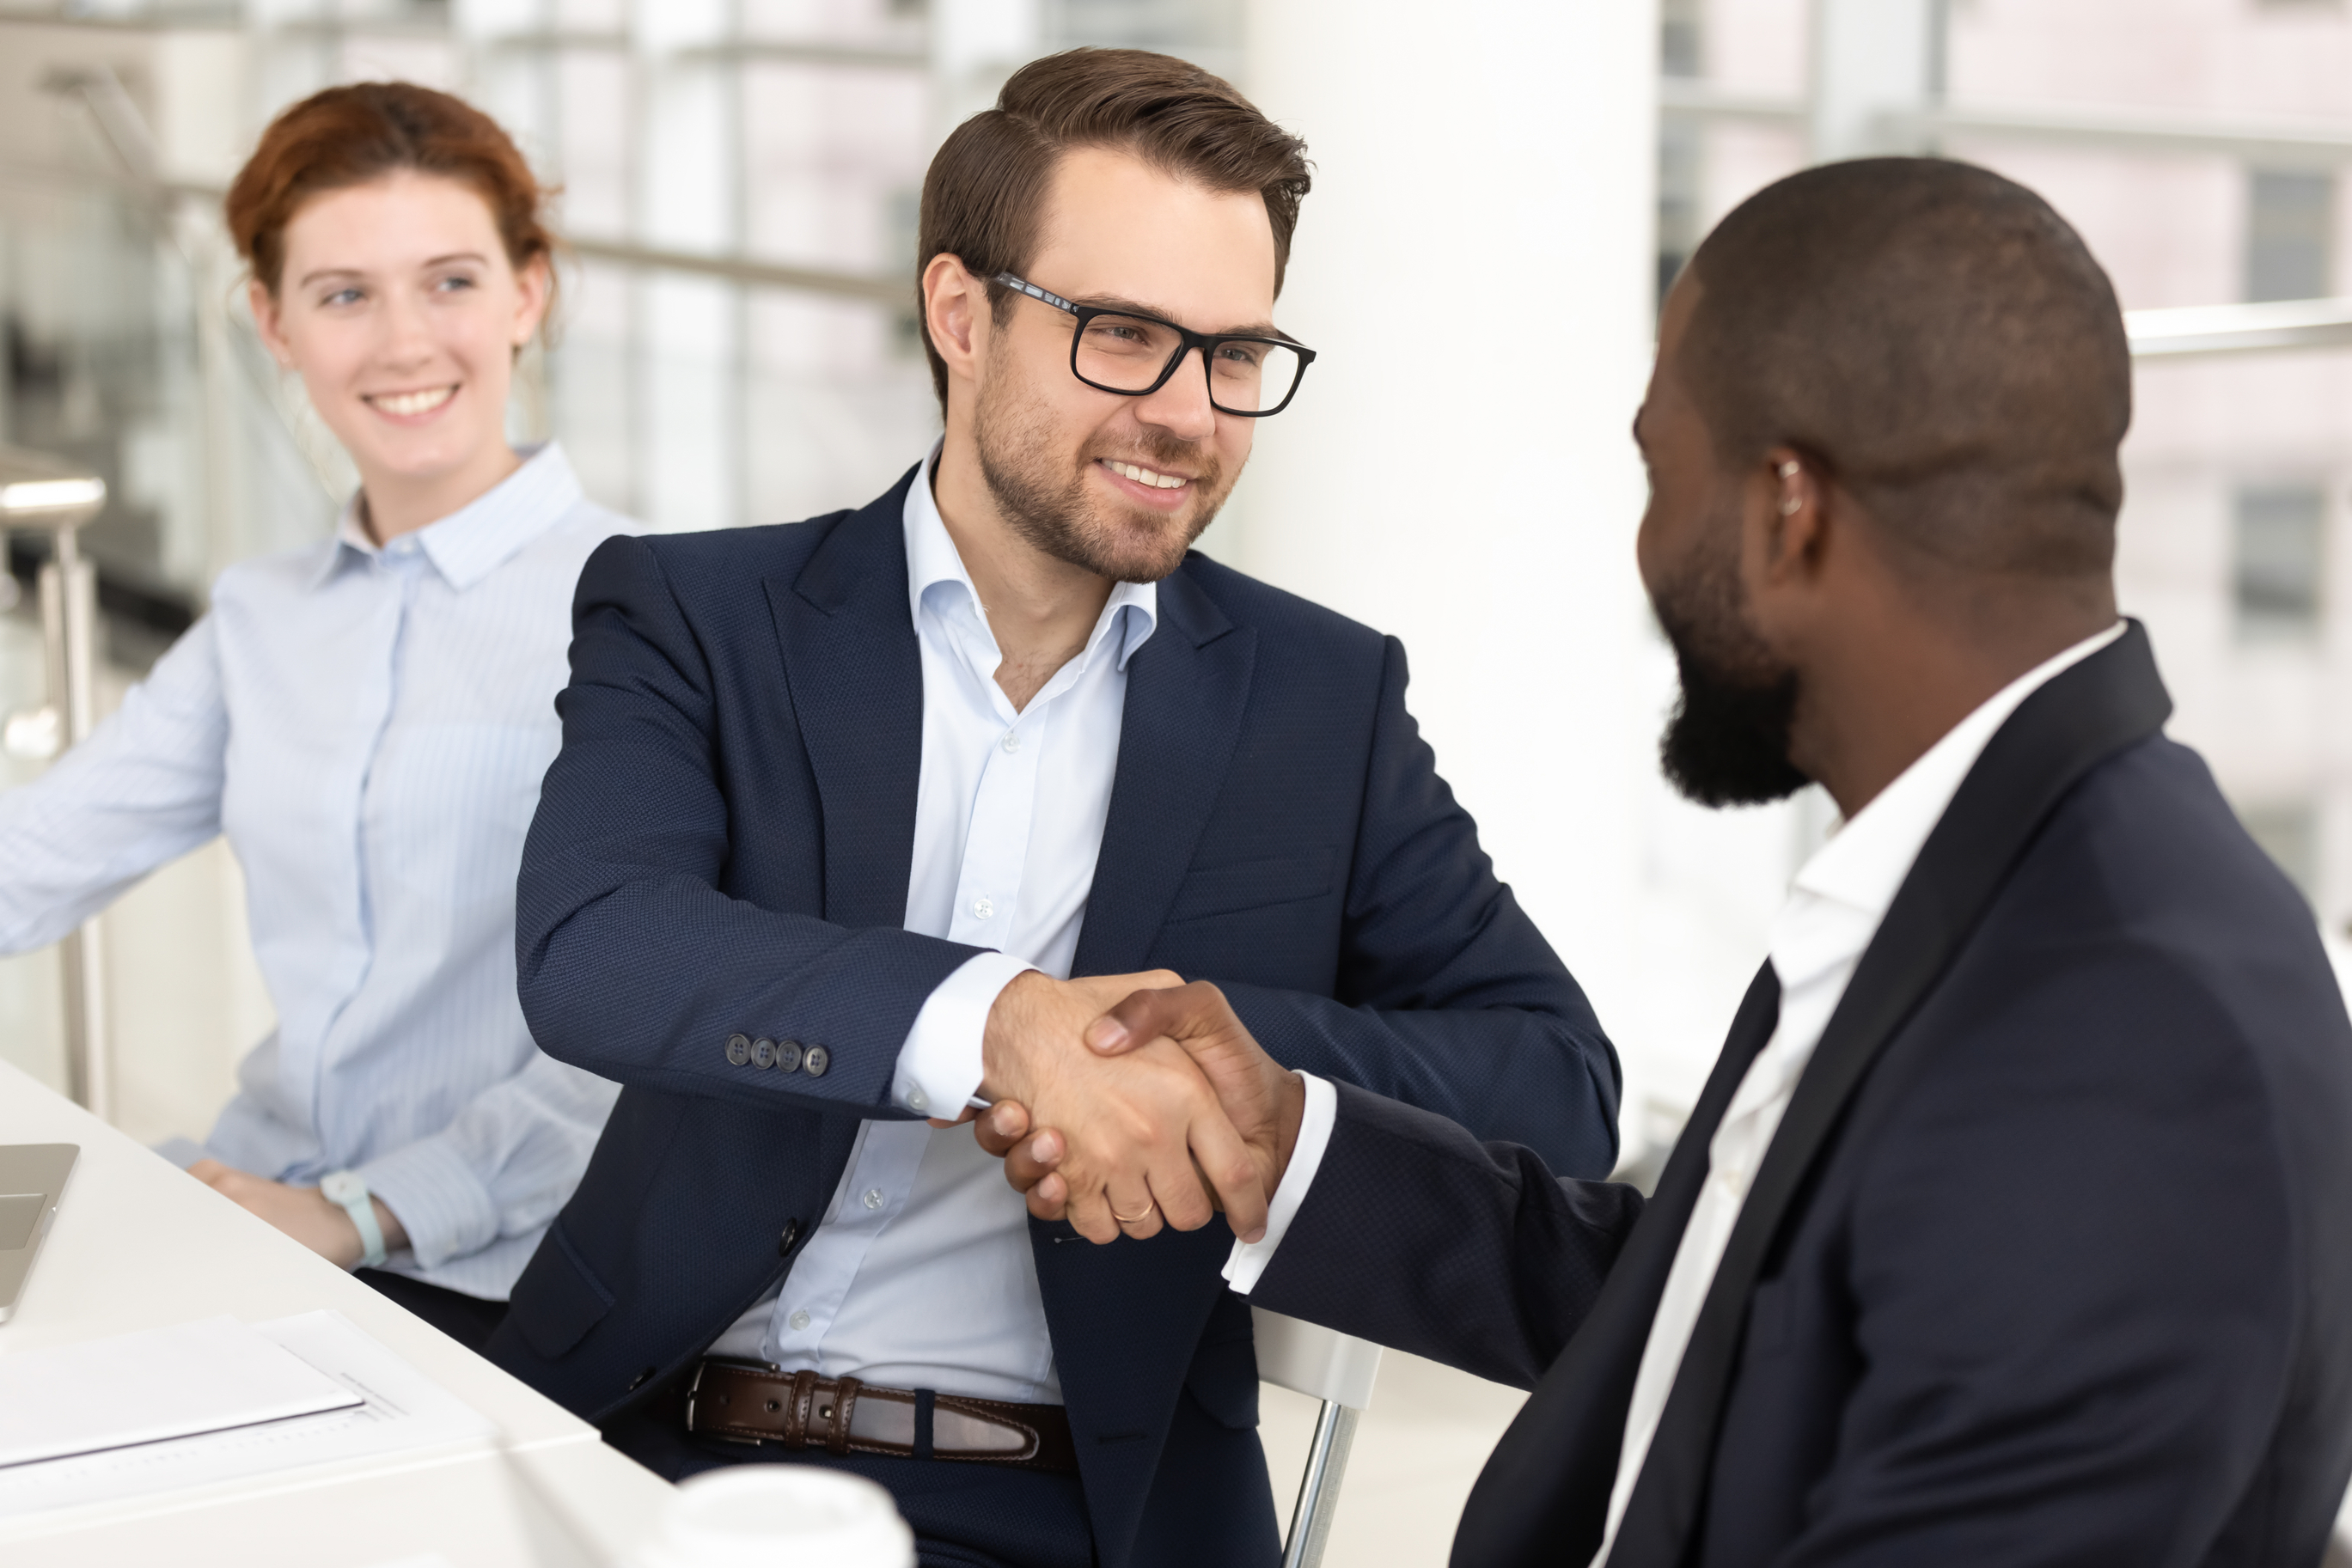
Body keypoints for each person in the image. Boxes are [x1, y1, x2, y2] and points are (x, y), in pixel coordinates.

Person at [985, 158, 2352, 1566]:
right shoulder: (1988, 888)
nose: (1642, 548)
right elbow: (1723, 1310)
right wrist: (1292, 1143)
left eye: (1657, 472)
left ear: (1785, 513)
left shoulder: (2124, 1036)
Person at [486, 46, 1620, 1568]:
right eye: (1124, 335)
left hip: (1080, 1507)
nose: (1188, 413)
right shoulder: (699, 612)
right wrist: (997, 1020)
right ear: (960, 314)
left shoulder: (1317, 700)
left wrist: (1189, 1055)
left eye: (1233, 354)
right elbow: (598, 946)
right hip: (651, 1443)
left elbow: (1559, 1083)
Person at [0, 82, 634, 1351]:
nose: (401, 343)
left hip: (494, 1267)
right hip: (245, 1202)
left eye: (448, 281)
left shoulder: (647, 607)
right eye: (343, 294)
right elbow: (37, 854)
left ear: (529, 293)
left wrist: (365, 1212)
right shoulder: (260, 618)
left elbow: (643, 1042)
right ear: (272, 324)